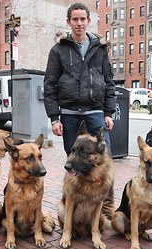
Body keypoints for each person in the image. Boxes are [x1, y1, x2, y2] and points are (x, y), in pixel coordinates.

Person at [44, 2, 116, 156]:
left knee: (104, 157)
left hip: (95, 112)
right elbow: (50, 85)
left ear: (88, 21)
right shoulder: (58, 50)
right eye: (75, 19)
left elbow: (109, 82)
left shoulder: (100, 49)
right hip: (69, 114)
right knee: (74, 161)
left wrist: (109, 113)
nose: (79, 23)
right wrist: (55, 119)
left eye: (83, 19)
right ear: (68, 22)